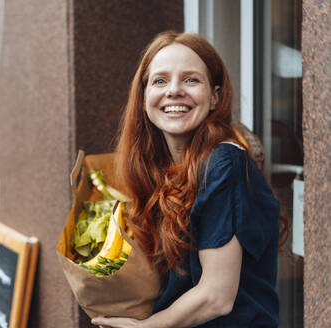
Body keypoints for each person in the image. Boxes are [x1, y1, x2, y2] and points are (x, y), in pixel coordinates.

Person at [91, 31, 288, 327]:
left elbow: (216, 296)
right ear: (144, 98)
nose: (174, 91)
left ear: (215, 97)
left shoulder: (224, 164)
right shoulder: (163, 169)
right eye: (160, 81)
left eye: (191, 80)